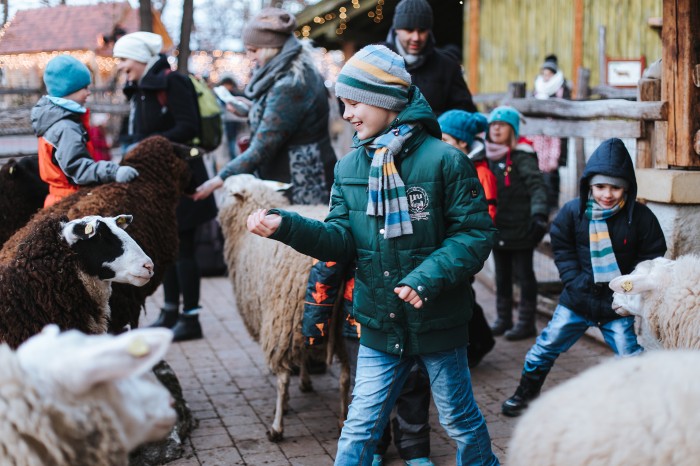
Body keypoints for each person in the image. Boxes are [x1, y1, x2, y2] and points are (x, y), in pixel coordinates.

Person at [247, 44, 500, 466]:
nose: (346, 114)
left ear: (386, 100)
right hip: (378, 322)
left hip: (437, 321)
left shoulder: (445, 162)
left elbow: (474, 234)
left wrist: (426, 277)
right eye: (343, 104)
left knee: (458, 418)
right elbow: (340, 239)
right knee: (360, 426)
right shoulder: (349, 169)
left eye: (353, 102)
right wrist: (287, 227)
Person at [501, 137, 667, 417]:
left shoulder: (640, 217)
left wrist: (632, 284)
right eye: (601, 186)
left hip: (617, 304)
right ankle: (525, 394)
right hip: (577, 298)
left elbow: (652, 254)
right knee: (546, 346)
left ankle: (642, 406)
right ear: (589, 183)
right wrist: (572, 278)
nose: (607, 194)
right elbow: (562, 245)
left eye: (615, 187)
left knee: (630, 356)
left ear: (626, 186)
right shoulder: (573, 212)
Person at [113, 31, 217, 341]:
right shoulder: (140, 89)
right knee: (166, 250)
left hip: (182, 179)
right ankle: (170, 310)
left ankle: (192, 317)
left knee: (183, 249)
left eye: (124, 59)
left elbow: (188, 127)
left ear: (141, 58)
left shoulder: (173, 82)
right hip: (158, 184)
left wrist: (146, 146)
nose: (120, 66)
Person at [192, 8, 336, 205]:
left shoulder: (291, 83)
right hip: (295, 172)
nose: (250, 57)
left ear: (271, 47)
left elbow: (263, 145)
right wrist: (251, 109)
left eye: (254, 50)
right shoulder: (287, 72)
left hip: (301, 180)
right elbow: (287, 117)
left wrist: (218, 179)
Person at [31, 55, 139, 207]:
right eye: (84, 88)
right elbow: (78, 168)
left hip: (61, 199)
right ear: (68, 89)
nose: (89, 92)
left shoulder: (59, 121)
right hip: (70, 203)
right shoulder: (65, 127)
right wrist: (113, 171)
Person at [437, 109, 497, 368]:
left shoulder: (481, 173)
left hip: (466, 246)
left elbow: (485, 217)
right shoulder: (450, 163)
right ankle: (478, 342)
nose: (440, 144)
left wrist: (468, 243)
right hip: (451, 242)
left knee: (463, 296)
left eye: (446, 140)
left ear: (462, 142)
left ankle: (480, 342)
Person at [485, 106, 548, 341]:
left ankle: (526, 321)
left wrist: (539, 215)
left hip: (521, 227)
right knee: (501, 276)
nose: (497, 128)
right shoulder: (487, 157)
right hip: (497, 227)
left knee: (523, 274)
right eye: (493, 125)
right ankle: (503, 318)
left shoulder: (522, 156)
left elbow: (536, 186)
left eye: (502, 125)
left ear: (512, 130)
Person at [381, 0, 477, 115]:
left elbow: (465, 110)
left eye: (422, 30)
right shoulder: (376, 59)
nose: (416, 37)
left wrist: (446, 128)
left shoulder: (447, 66)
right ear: (397, 29)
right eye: (409, 30)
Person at [531, 54, 571, 215]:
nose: (546, 76)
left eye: (549, 73)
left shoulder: (561, 88)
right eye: (544, 73)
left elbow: (565, 109)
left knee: (553, 170)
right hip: (539, 135)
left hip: (556, 136)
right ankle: (542, 204)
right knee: (539, 171)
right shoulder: (537, 87)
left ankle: (553, 205)